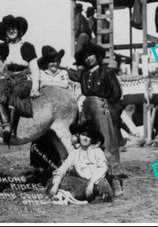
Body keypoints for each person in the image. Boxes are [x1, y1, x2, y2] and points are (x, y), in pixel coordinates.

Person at [67, 42, 124, 197]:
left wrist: (107, 109)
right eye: (85, 57)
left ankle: (114, 179)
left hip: (103, 108)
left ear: (98, 56)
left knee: (108, 142)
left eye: (91, 55)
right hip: (87, 109)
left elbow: (116, 93)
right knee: (86, 141)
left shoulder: (107, 72)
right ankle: (89, 176)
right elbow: (68, 73)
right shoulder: (84, 74)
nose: (88, 59)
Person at [0, 15, 40, 144]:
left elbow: (35, 68)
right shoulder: (4, 47)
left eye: (14, 28)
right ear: (5, 32)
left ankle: (13, 131)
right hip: (9, 77)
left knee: (14, 96)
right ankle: (6, 126)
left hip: (23, 77)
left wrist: (35, 88)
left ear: (19, 30)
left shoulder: (27, 46)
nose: (11, 31)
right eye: (8, 29)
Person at [47, 121, 113, 203]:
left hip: (95, 182)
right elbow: (64, 167)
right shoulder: (74, 153)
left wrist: (91, 183)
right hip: (81, 184)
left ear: (92, 139)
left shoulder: (97, 151)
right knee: (55, 180)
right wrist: (56, 184)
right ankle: (77, 197)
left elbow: (102, 168)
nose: (85, 138)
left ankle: (80, 197)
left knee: (103, 184)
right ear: (79, 136)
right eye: (83, 135)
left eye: (88, 136)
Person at [29, 46, 69, 175]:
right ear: (46, 63)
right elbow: (35, 85)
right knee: (40, 136)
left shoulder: (63, 73)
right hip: (44, 110)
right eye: (51, 61)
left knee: (60, 137)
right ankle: (40, 166)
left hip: (61, 110)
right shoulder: (40, 73)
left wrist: (46, 84)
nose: (54, 63)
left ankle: (60, 164)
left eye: (57, 60)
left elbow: (65, 85)